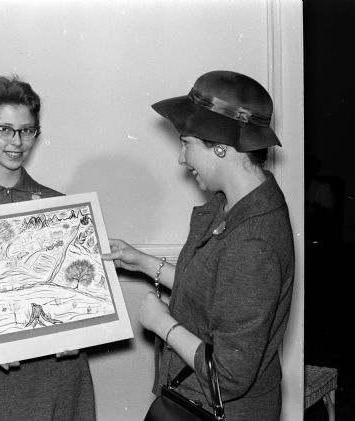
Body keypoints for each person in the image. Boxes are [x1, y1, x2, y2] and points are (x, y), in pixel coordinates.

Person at [102, 70, 295, 420]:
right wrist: (142, 262)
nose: (181, 158)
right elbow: (218, 292)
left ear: (220, 147)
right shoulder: (234, 205)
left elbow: (228, 376)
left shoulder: (255, 240)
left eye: (186, 143)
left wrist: (162, 323)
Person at [0, 75, 96, 421]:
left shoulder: (61, 205)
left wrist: (82, 333)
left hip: (60, 375)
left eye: (26, 130)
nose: (17, 142)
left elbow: (84, 303)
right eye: (4, 129)